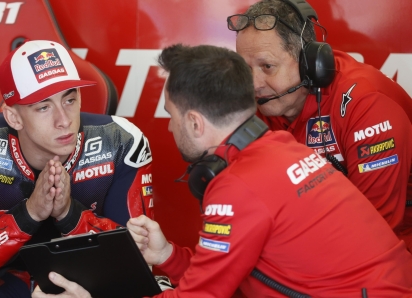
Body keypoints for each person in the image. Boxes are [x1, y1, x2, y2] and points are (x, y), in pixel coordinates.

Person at [33, 44, 412, 297]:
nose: (169, 126)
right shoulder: (279, 151)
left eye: (172, 115)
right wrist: (165, 254)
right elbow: (224, 272)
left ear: (196, 123)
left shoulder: (238, 186)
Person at [0, 40, 155, 297]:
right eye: (44, 107)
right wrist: (28, 214)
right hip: (5, 286)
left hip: (88, 286)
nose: (64, 120)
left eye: (69, 99)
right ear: (14, 117)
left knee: (157, 291)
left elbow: (141, 262)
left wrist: (70, 215)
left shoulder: (121, 142)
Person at [228, 0, 412, 249]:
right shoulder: (263, 105)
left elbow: (376, 234)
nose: (253, 83)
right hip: (316, 245)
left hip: (389, 256)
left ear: (309, 64)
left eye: (267, 66)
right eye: (244, 68)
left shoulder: (366, 104)